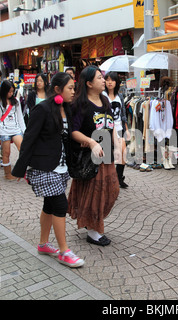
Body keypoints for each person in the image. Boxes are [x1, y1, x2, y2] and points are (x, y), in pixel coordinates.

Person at [12, 72, 84, 268]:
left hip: (61, 167)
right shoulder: (42, 109)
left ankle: (44, 244)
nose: (73, 91)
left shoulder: (67, 108)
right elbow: (29, 139)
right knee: (61, 205)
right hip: (44, 167)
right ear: (58, 90)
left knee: (50, 206)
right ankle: (64, 251)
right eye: (70, 88)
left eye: (74, 87)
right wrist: (20, 169)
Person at [68, 65, 121, 246]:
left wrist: (117, 143)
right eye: (99, 78)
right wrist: (91, 142)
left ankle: (93, 223)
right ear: (89, 83)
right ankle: (93, 230)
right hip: (90, 157)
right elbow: (73, 132)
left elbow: (111, 125)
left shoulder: (105, 102)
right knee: (95, 195)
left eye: (103, 77)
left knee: (112, 190)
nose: (103, 81)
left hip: (107, 154)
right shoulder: (80, 105)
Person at [0, 80, 26, 180]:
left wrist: (24, 130)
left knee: (23, 149)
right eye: (9, 91)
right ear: (4, 91)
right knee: (6, 153)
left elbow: (20, 117)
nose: (10, 94)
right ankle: (8, 174)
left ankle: (23, 171)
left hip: (16, 128)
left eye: (12, 91)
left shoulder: (16, 101)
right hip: (4, 130)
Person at [103, 71, 129, 188]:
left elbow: (123, 115)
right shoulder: (102, 96)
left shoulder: (120, 96)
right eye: (107, 80)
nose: (110, 82)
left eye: (112, 80)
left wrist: (127, 130)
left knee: (123, 153)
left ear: (116, 82)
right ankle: (109, 180)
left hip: (119, 129)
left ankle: (119, 178)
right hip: (107, 129)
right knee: (109, 156)